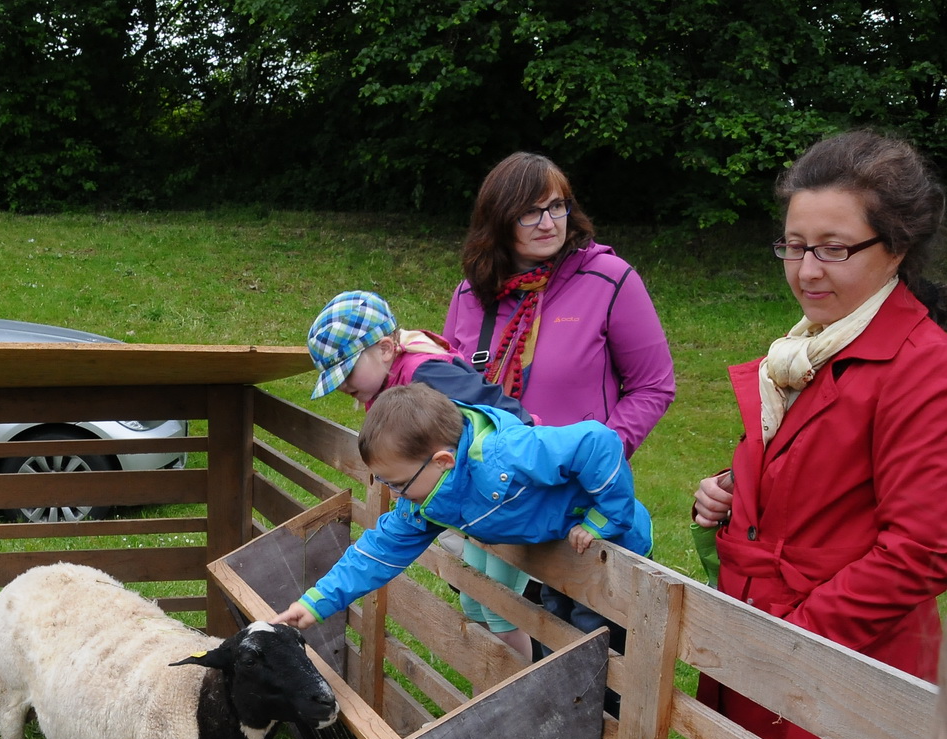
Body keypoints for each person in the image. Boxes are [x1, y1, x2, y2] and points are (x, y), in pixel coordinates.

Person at [690, 129, 947, 739]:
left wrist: (790, 646)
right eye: (794, 244)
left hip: (832, 676)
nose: (806, 268)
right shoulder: (800, 354)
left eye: (833, 248)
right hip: (766, 653)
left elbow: (922, 545)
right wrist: (720, 492)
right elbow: (808, 486)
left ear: (896, 249)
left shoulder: (922, 362)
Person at [442, 153, 675, 637]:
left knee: (592, 656)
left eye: (556, 206)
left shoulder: (610, 279)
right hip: (500, 506)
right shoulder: (471, 296)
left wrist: (596, 459)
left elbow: (654, 386)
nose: (548, 222)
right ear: (499, 219)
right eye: (530, 211)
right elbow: (453, 398)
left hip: (578, 511)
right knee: (493, 635)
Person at [270, 385, 651, 631]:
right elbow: (378, 551)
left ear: (442, 461)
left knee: (600, 644)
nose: (398, 495)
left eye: (399, 484)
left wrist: (605, 517)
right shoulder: (429, 499)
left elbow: (597, 442)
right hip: (561, 556)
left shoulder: (510, 457)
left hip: (615, 550)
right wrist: (316, 603)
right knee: (560, 636)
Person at [307, 290, 536, 658]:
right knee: (477, 602)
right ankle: (492, 694)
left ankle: (520, 694)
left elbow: (500, 417)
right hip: (471, 502)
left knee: (501, 609)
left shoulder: (427, 374)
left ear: (384, 349)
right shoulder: (394, 379)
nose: (345, 386)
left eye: (348, 372)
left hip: (508, 494)